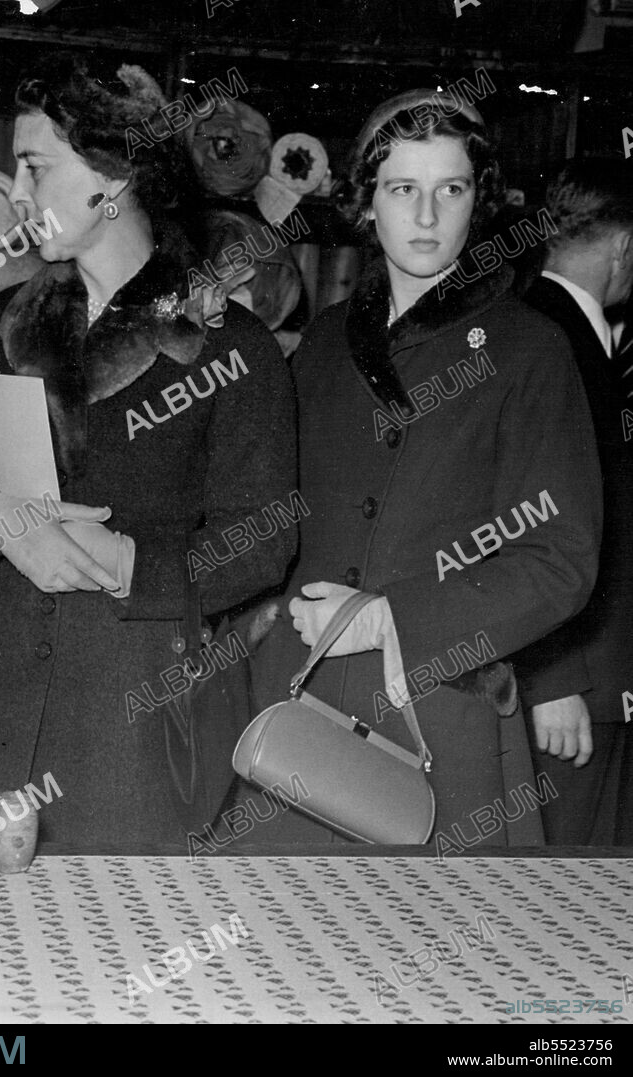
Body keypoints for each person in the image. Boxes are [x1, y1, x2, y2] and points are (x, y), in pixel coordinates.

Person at [0, 57, 296, 854]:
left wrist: (129, 559)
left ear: (113, 177)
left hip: (121, 719)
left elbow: (264, 539)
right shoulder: (10, 320)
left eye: (35, 166)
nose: (17, 194)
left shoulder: (228, 347)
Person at [242, 89, 602, 849]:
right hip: (303, 703)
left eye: (452, 189)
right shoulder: (326, 341)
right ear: (364, 203)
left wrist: (391, 615)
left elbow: (560, 559)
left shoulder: (527, 348)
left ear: (481, 201)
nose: (428, 216)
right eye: (402, 189)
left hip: (440, 709)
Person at [512, 159, 633, 845]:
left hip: (591, 676)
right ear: (622, 247)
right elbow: (522, 516)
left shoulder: (547, 326)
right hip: (571, 686)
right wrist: (551, 679)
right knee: (560, 876)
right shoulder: (552, 342)